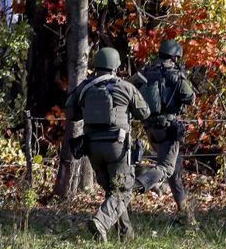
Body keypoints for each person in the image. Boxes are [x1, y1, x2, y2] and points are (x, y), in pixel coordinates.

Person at [65, 47, 149, 242]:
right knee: (123, 190)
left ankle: (126, 236)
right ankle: (101, 221)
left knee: (113, 192)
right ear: (115, 66)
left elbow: (71, 113)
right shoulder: (125, 87)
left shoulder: (86, 87)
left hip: (92, 148)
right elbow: (144, 113)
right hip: (117, 146)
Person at [129, 39, 196, 226]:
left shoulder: (146, 72)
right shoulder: (175, 75)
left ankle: (186, 216)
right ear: (175, 57)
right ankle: (135, 186)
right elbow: (191, 98)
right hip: (168, 129)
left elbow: (130, 90)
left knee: (175, 169)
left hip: (150, 128)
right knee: (166, 168)